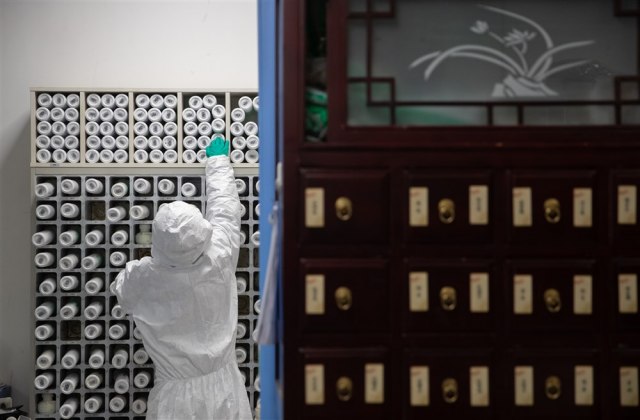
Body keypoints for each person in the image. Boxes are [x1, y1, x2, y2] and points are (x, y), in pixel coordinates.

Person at [115, 137, 252, 419]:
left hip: (174, 398)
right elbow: (225, 212)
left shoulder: (141, 278)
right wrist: (217, 161)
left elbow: (122, 291)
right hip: (225, 389)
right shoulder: (219, 257)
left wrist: (152, 265)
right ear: (203, 234)